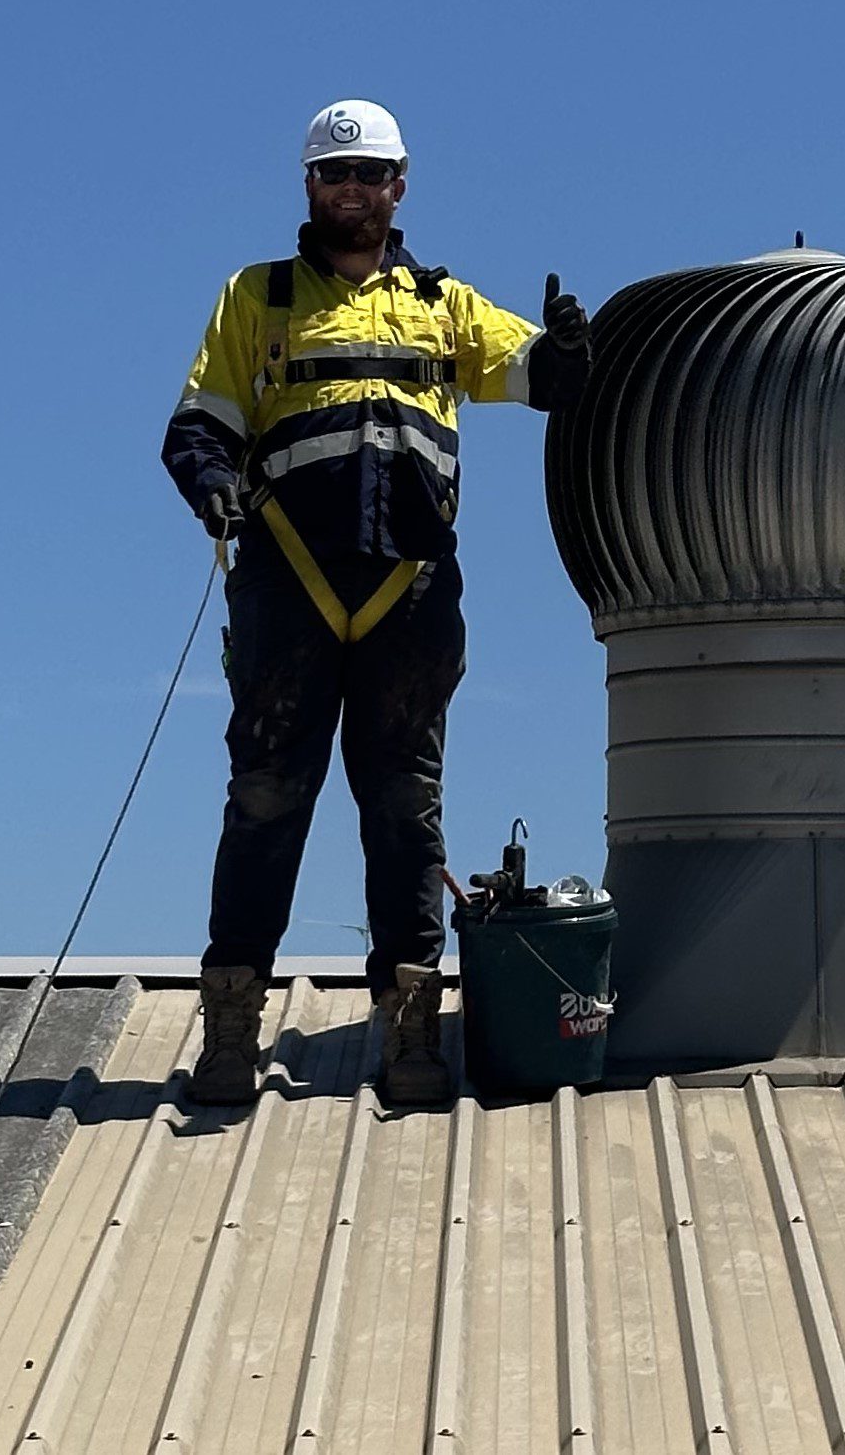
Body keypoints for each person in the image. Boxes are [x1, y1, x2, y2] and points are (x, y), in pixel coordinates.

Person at [162, 100, 591, 1107]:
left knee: (405, 809)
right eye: (333, 173)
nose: (350, 189)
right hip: (288, 584)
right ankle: (231, 1033)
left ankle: (410, 1033)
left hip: (411, 590)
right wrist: (210, 482)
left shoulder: (445, 305)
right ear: (309, 185)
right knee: (266, 798)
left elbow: (538, 377)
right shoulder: (256, 298)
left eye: (368, 174)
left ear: (399, 185)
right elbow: (198, 423)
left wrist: (570, 353)